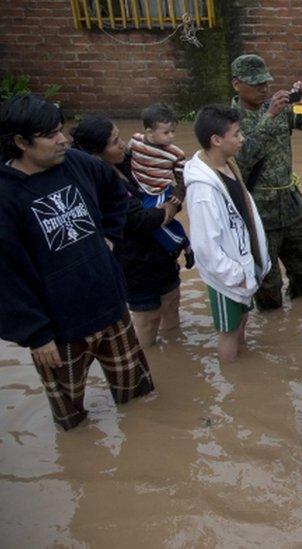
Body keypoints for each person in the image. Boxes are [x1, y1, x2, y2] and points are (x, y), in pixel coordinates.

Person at [0, 94, 155, 430]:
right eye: (52, 134)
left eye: (61, 130)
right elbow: (7, 279)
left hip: (111, 309)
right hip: (59, 332)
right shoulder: (6, 197)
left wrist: (110, 235)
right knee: (71, 422)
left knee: (139, 400)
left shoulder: (75, 163)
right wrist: (36, 334)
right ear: (20, 142)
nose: (63, 140)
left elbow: (116, 193)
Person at [231, 53, 302, 311]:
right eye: (255, 84)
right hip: (257, 210)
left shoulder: (283, 110)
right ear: (237, 85)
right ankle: (272, 322)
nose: (263, 88)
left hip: (291, 206)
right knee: (267, 282)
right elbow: (242, 158)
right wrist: (268, 118)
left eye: (265, 82)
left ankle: (299, 314)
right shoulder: (227, 120)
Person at [70, 115, 182, 348]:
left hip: (159, 251)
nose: (123, 144)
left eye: (120, 137)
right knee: (147, 318)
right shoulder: (97, 181)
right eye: (115, 141)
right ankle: (151, 364)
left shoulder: (124, 162)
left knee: (171, 301)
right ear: (95, 152)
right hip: (134, 260)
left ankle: (176, 351)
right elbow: (139, 219)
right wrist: (171, 207)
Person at [185, 104, 271, 362]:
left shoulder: (228, 165)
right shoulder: (202, 190)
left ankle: (243, 374)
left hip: (243, 266)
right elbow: (204, 247)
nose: (242, 139)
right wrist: (236, 276)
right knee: (229, 331)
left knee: (242, 321)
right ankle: (233, 384)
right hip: (228, 276)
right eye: (236, 134)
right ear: (216, 140)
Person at [127, 103, 193, 268]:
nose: (171, 136)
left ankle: (177, 246)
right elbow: (127, 157)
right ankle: (185, 244)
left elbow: (181, 178)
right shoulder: (135, 141)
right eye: (166, 132)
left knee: (154, 221)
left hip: (160, 191)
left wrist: (178, 195)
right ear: (149, 131)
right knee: (158, 222)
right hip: (141, 190)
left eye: (173, 131)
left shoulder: (176, 154)